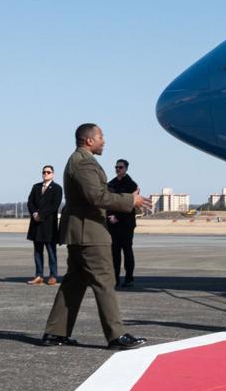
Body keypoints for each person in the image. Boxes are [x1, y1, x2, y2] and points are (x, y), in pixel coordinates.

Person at [41, 123, 152, 350]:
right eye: (101, 137)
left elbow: (98, 194)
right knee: (105, 280)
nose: (104, 141)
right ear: (89, 140)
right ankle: (116, 335)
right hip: (89, 232)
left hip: (83, 231)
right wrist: (130, 201)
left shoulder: (81, 160)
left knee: (74, 282)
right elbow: (97, 197)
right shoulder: (83, 163)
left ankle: (55, 332)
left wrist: (127, 199)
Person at [26, 164, 62, 286]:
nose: (45, 174)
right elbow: (30, 202)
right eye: (44, 172)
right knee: (37, 252)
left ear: (53, 174)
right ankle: (39, 275)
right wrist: (34, 213)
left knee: (51, 252)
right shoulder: (36, 187)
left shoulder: (57, 188)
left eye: (48, 172)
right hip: (36, 224)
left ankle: (53, 275)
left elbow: (54, 205)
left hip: (48, 225)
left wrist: (41, 215)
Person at [107, 159, 138, 287]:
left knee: (127, 251)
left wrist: (117, 217)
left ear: (126, 169)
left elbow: (130, 204)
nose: (118, 169)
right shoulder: (111, 184)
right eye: (116, 167)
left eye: (120, 167)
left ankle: (129, 278)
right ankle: (115, 278)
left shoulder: (131, 185)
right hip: (113, 224)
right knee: (114, 253)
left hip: (126, 223)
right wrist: (109, 216)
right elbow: (107, 202)